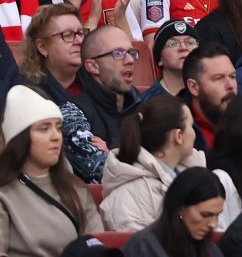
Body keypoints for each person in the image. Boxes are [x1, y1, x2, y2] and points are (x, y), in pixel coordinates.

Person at [0, 85, 104, 257]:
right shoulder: (4, 193)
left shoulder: (75, 189)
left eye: (58, 127)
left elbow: (96, 248)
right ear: (21, 137)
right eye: (44, 128)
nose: (56, 136)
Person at [121, 165, 225, 257]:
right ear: (180, 208)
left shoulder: (210, 249)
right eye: (205, 215)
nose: (213, 224)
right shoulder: (143, 247)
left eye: (217, 215)